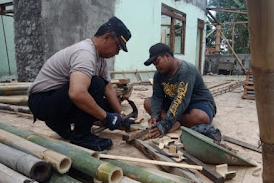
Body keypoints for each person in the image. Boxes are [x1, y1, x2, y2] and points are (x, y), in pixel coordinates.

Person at [28, 16, 133, 151]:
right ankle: (81, 136)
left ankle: (59, 123)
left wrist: (121, 115)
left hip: (54, 98)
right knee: (96, 84)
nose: (117, 53)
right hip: (42, 101)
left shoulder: (99, 58)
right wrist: (106, 118)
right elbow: (77, 93)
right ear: (107, 37)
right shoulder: (85, 53)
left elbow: (109, 88)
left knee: (106, 102)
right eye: (118, 47)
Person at [143, 43, 217, 138]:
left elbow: (181, 100)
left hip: (197, 103)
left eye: (157, 62)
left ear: (167, 56)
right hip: (174, 104)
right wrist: (155, 116)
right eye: (154, 64)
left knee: (200, 118)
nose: (156, 66)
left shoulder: (186, 70)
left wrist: (165, 124)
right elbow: (157, 96)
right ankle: (175, 121)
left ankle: (172, 121)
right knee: (148, 103)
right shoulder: (158, 74)